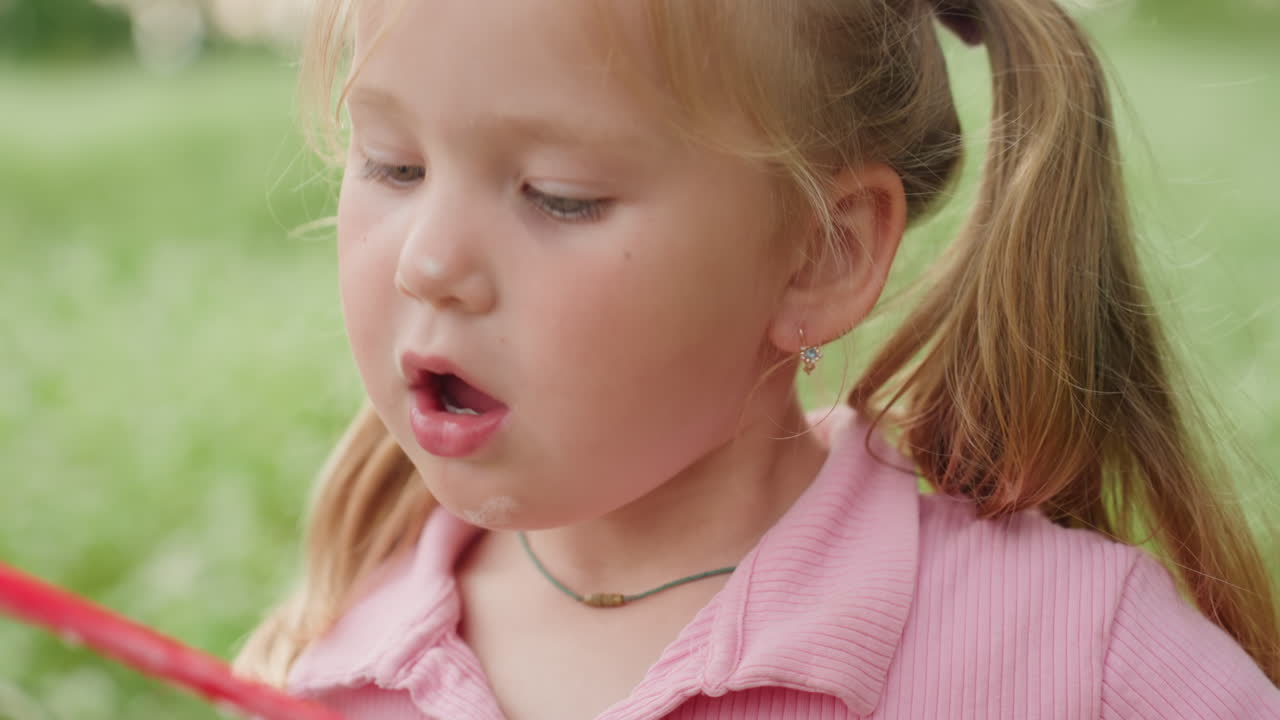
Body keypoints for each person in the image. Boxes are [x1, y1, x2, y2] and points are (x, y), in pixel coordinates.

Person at [231, 0, 1280, 717]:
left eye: (559, 193)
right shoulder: (344, 648)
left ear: (818, 255)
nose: (427, 262)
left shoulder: (1069, 655)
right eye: (392, 164)